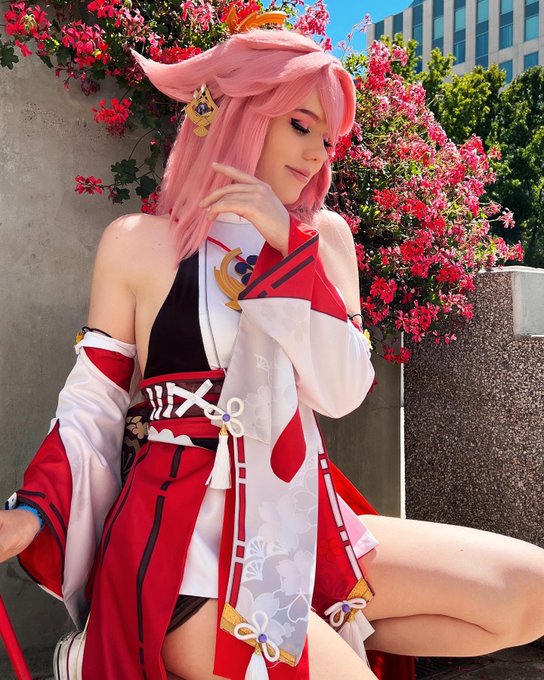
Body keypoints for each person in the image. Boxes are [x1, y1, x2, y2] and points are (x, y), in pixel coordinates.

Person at [1, 24, 544, 680]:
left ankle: (324, 630)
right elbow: (94, 403)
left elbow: (341, 392)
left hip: (298, 522)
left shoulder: (324, 238)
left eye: (328, 138)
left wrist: (288, 243)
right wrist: (33, 513)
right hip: (182, 549)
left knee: (526, 594)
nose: (317, 153)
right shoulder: (138, 242)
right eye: (300, 125)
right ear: (239, 115)